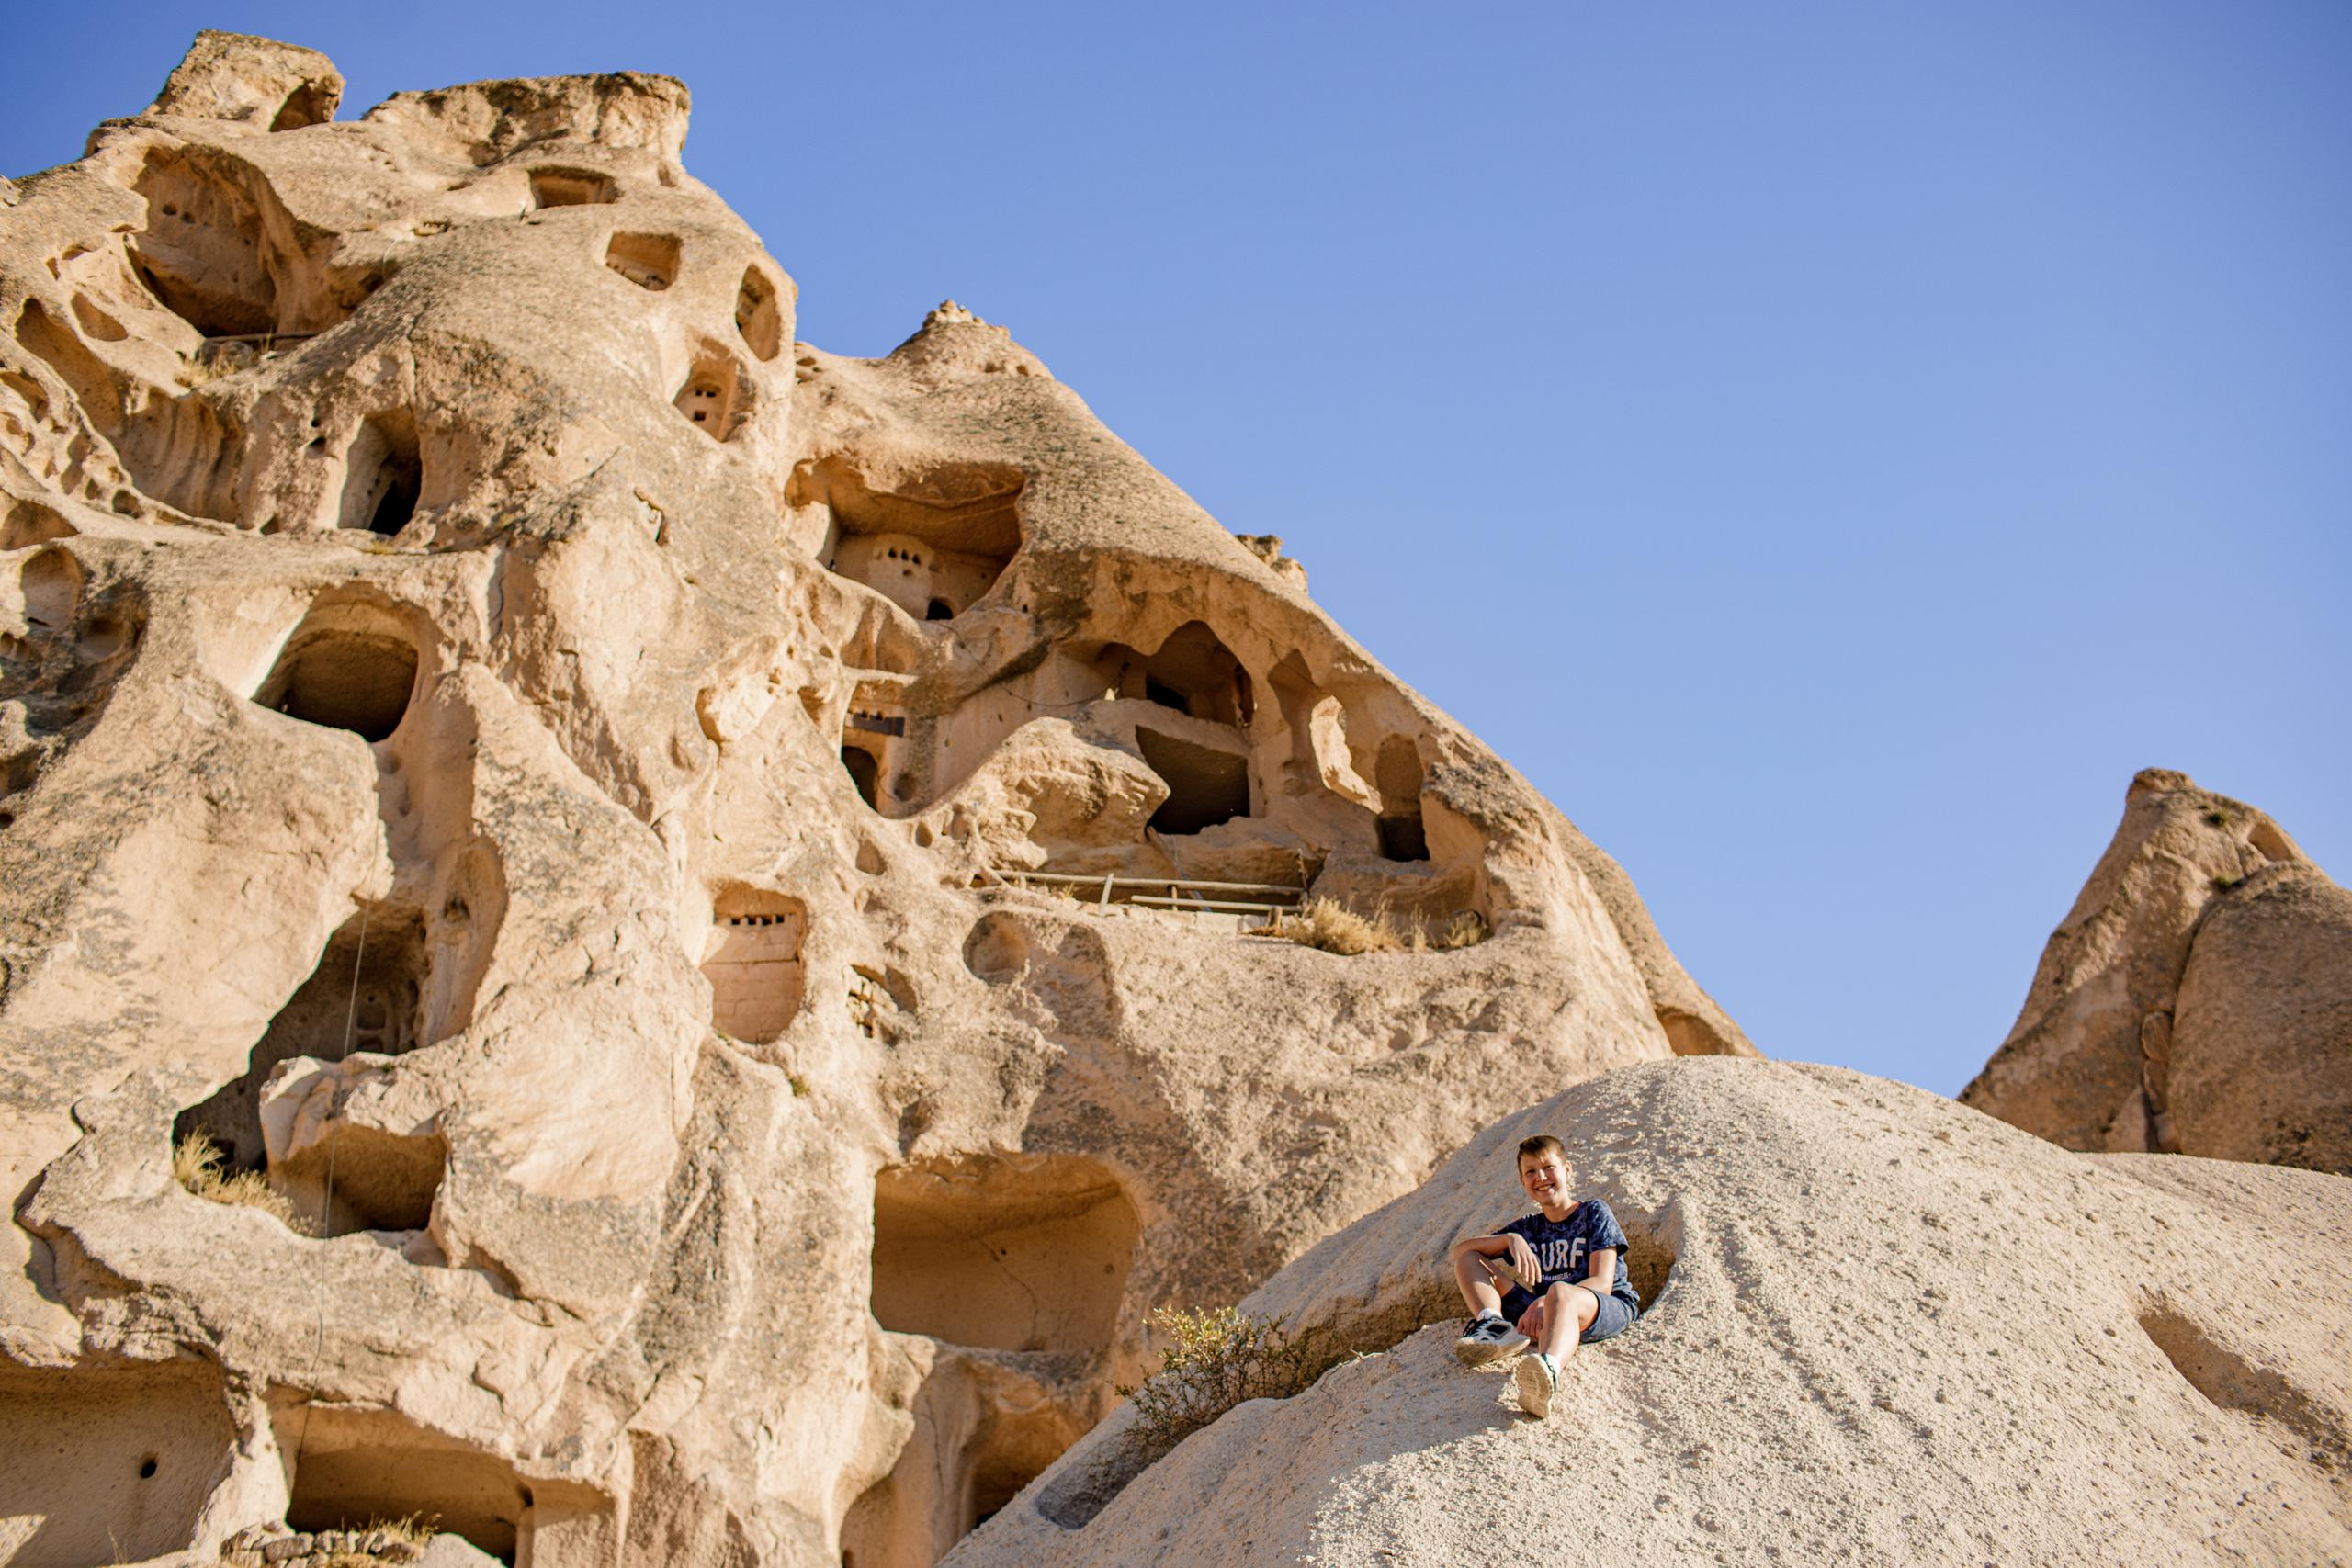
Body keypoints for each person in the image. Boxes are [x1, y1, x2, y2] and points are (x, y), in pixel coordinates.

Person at [1445, 1134, 1641, 1417]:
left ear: (1567, 1169)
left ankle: (1548, 1369)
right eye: (1530, 1172)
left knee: (1560, 1291)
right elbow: (1459, 1252)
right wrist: (1510, 1240)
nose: (1541, 1177)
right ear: (1523, 1183)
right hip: (1546, 1311)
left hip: (1605, 1306)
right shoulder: (1529, 1228)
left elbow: (1603, 1282)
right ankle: (1494, 1326)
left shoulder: (1593, 1213)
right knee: (1469, 1259)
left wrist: (1544, 1301)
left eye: (1548, 1167)